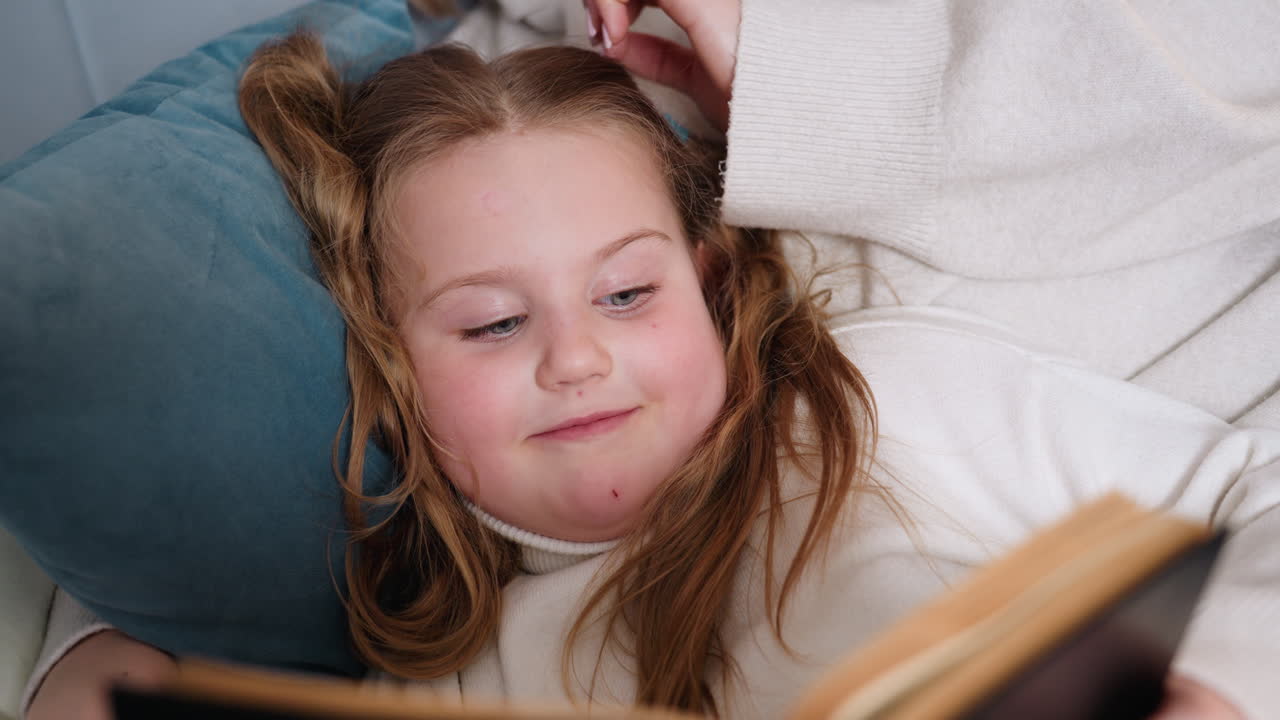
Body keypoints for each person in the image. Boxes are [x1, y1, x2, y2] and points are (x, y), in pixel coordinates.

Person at [24, 1, 1280, 719]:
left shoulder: (885, 400)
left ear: (709, 280)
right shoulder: (464, 674)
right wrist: (70, 661)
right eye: (494, 326)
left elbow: (1259, 490)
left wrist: (1219, 690)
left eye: (627, 293)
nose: (577, 359)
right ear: (394, 367)